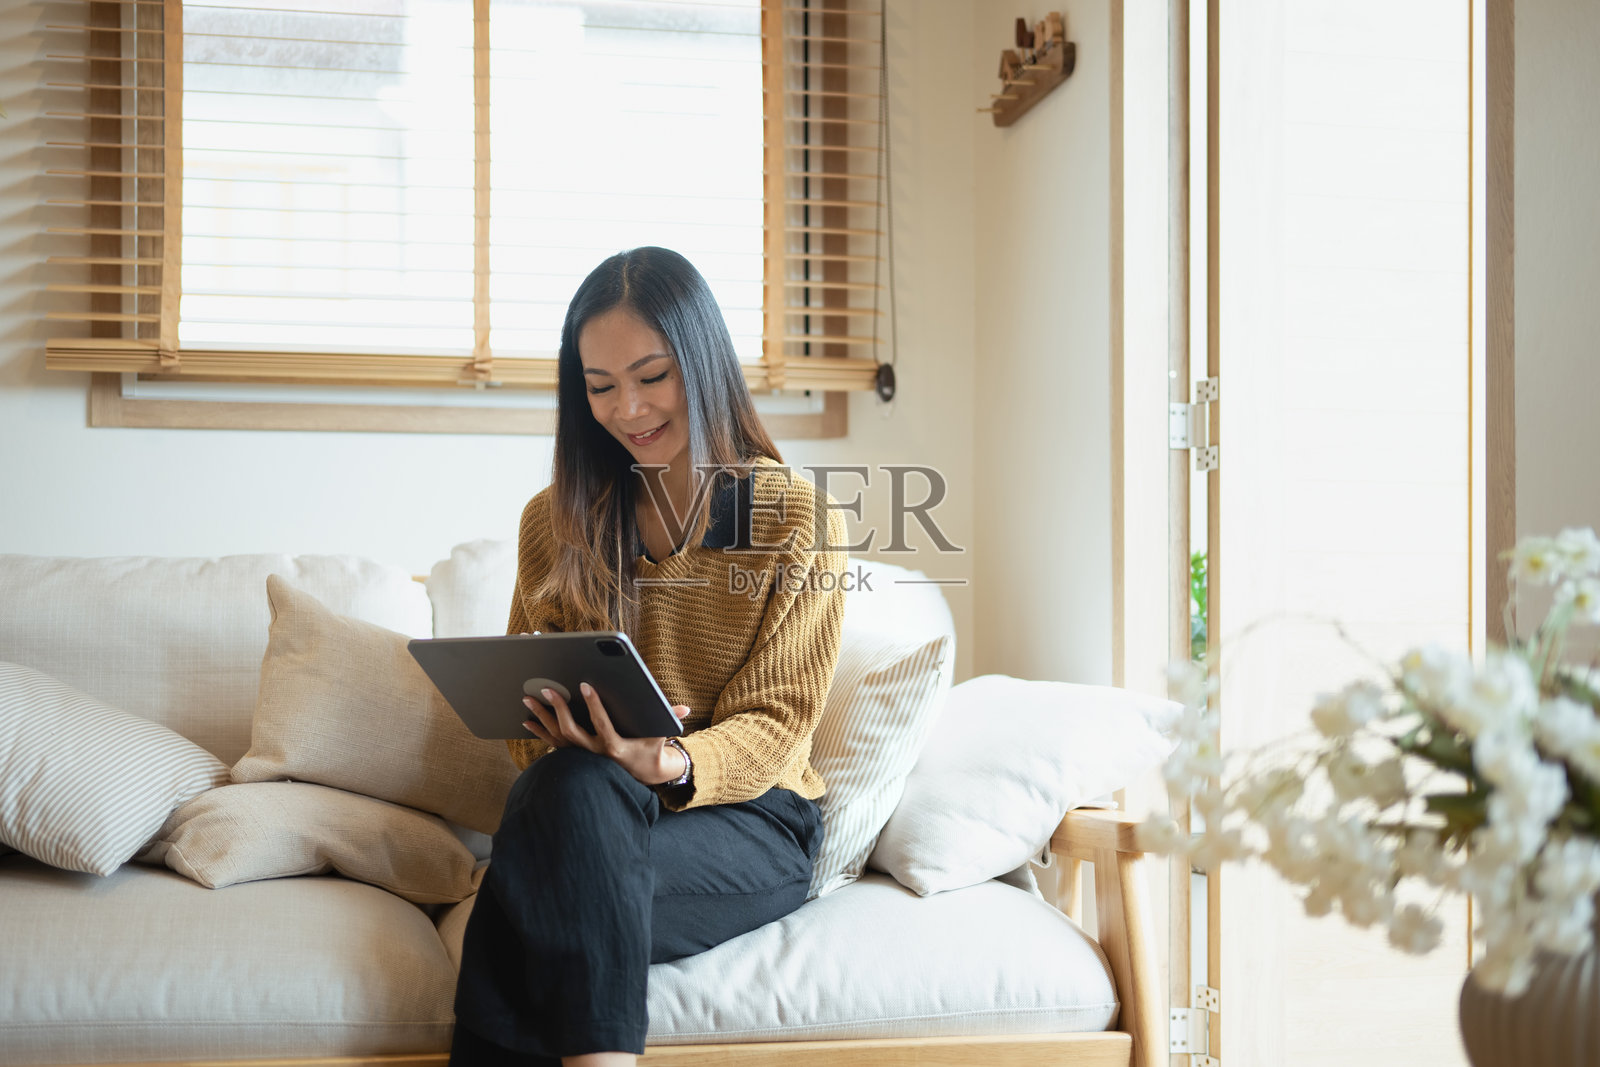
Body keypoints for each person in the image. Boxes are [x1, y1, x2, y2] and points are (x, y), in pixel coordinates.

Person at [449, 247, 849, 1067]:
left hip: (752, 821)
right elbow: (528, 741)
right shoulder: (556, 522)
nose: (627, 407)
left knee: (529, 880)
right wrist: (568, 732)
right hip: (587, 804)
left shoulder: (790, 515)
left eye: (651, 375)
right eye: (599, 387)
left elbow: (778, 724)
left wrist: (664, 759)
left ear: (699, 363)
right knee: (569, 783)